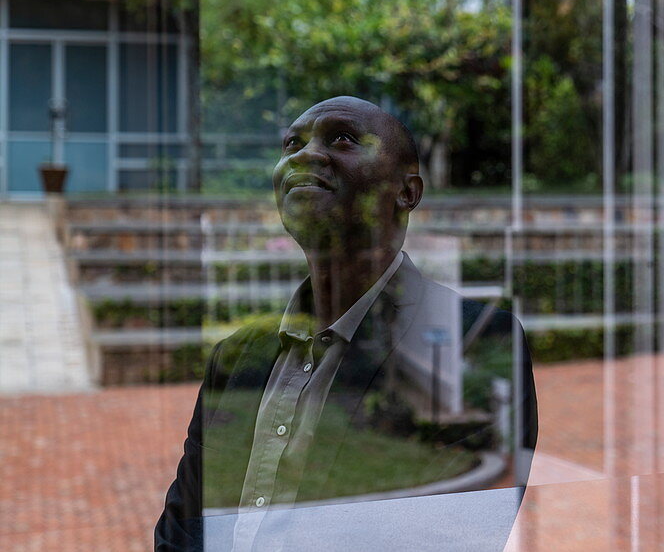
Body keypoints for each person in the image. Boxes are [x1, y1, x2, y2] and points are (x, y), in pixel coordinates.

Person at [156, 96, 537, 552]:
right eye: (291, 143)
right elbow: (183, 526)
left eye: (341, 138)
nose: (303, 154)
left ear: (407, 191)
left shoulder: (470, 340)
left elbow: (451, 536)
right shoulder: (235, 357)